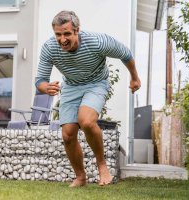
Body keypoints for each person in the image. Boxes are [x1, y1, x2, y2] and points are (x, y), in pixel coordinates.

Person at [35, 10, 141, 187]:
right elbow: (40, 80)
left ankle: (102, 166)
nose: (62, 39)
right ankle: (80, 176)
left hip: (96, 83)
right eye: (58, 34)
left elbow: (125, 54)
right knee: (68, 134)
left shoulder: (97, 42)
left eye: (67, 33)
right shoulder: (49, 48)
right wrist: (45, 87)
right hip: (70, 86)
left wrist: (135, 77)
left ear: (77, 30)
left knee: (86, 120)